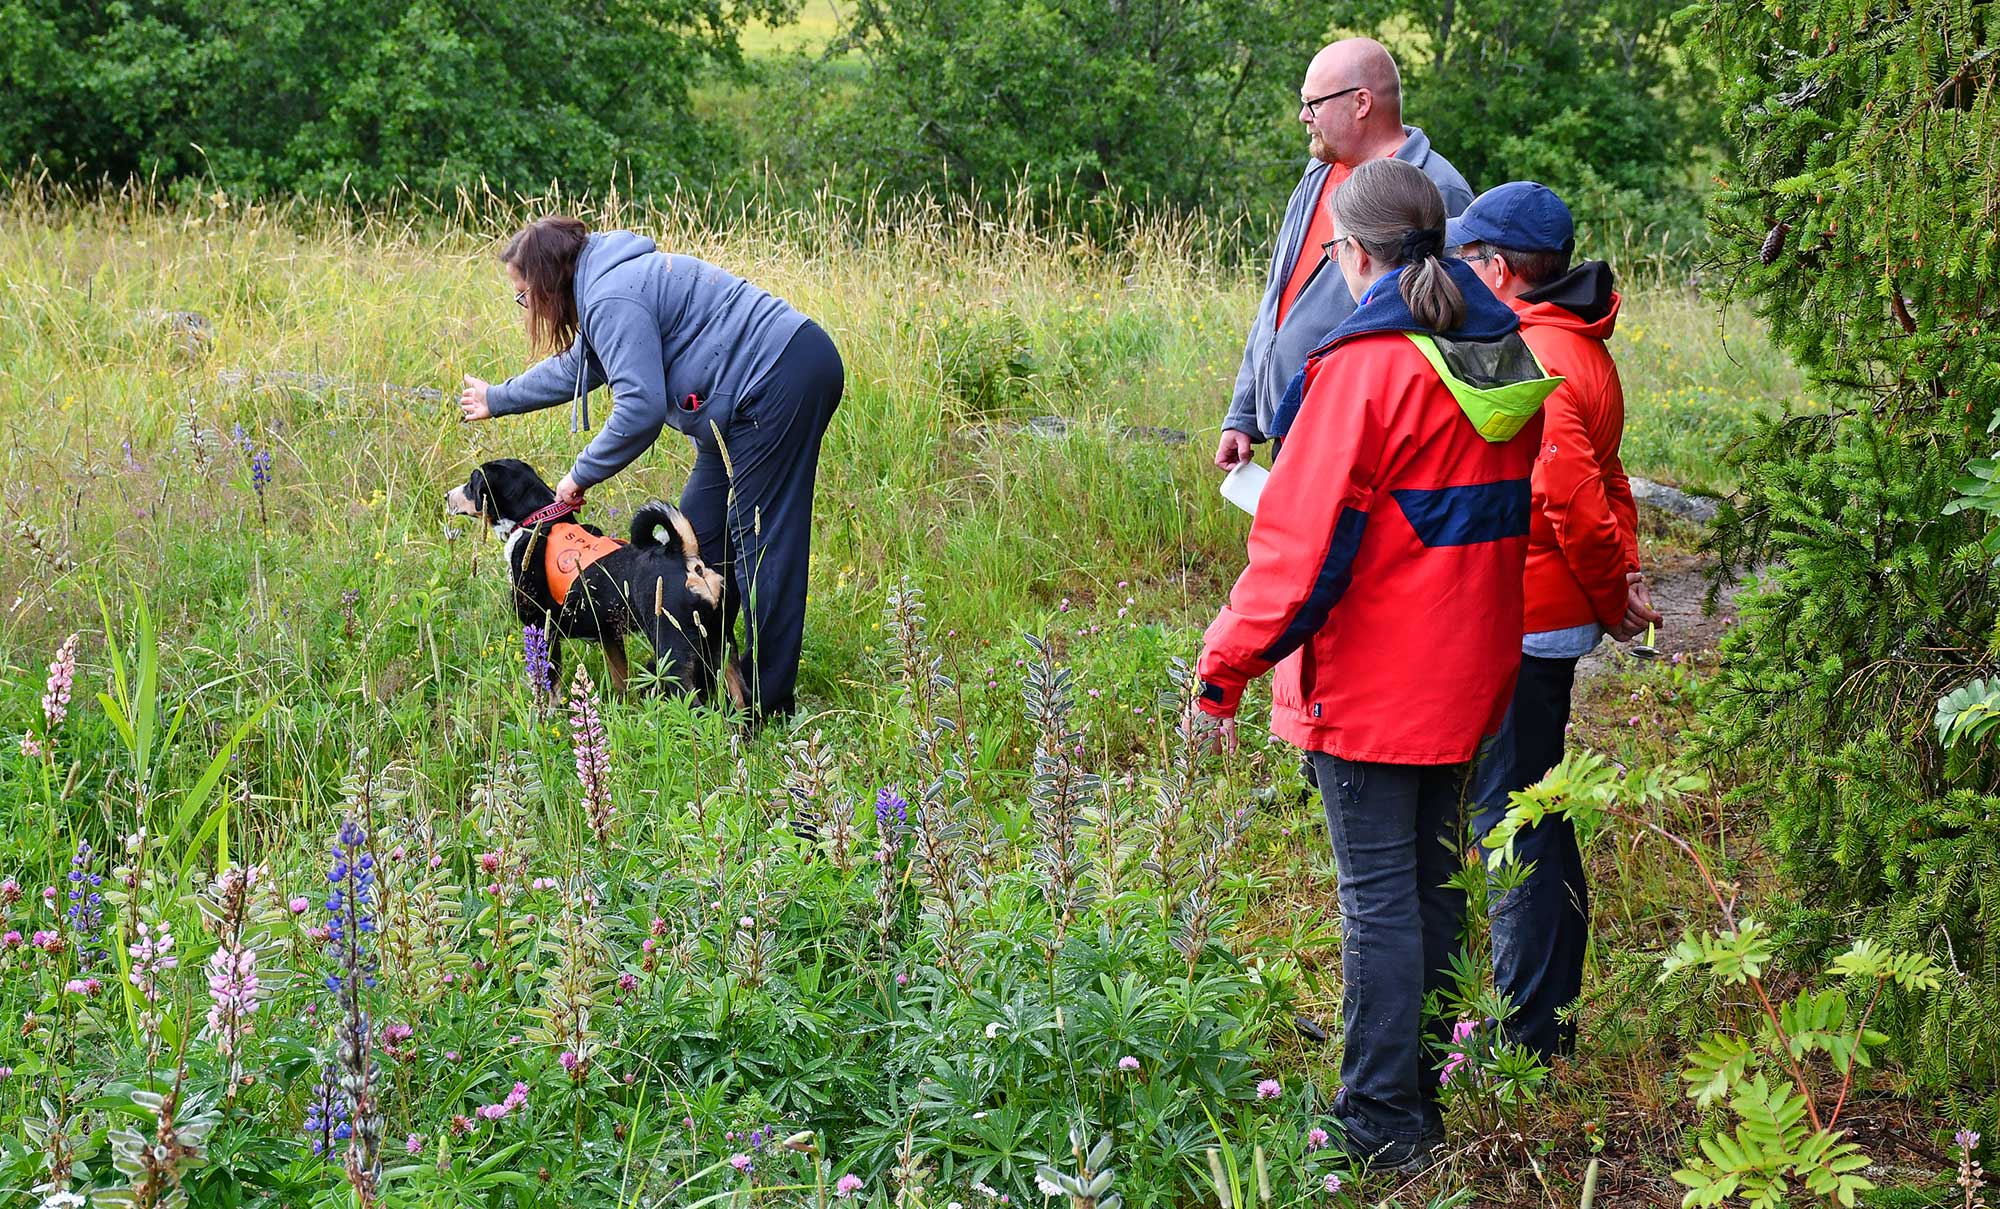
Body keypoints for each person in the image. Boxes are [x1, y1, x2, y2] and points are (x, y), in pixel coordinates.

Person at [1194, 159, 1558, 1170]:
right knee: (1433, 884)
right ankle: (1418, 1083)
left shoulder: (1365, 370)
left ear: (1349, 254)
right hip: (1466, 668)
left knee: (1380, 899)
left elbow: (1300, 553)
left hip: (1371, 677)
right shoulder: (1496, 352)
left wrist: (1221, 667)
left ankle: (1380, 1118)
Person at [459, 216, 842, 720]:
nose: (526, 308)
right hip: (729, 407)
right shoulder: (601, 287)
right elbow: (579, 366)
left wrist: (578, 477)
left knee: (763, 545)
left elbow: (639, 410)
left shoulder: (612, 296)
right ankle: (704, 682)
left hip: (775, 380)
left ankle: (767, 706)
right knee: (694, 539)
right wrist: (497, 398)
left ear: (550, 281)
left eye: (524, 295)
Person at [1451, 182, 1664, 1060]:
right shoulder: (1579, 344)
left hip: (1526, 621)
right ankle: (1545, 1015)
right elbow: (1609, 479)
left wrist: (1615, 597)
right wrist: (1625, 575)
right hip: (1550, 615)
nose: (1461, 273)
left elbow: (1570, 498)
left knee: (1518, 814)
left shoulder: (1528, 353)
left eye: (1469, 259)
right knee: (1539, 803)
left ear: (1500, 270)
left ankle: (1532, 1033)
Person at [1215, 37, 1474, 471]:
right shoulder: (1320, 171)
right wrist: (1243, 414)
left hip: (1362, 443)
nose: (1303, 116)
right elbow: (1279, 295)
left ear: (1361, 102)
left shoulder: (1437, 188)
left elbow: (1450, 330)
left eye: (1312, 103)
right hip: (1292, 424)